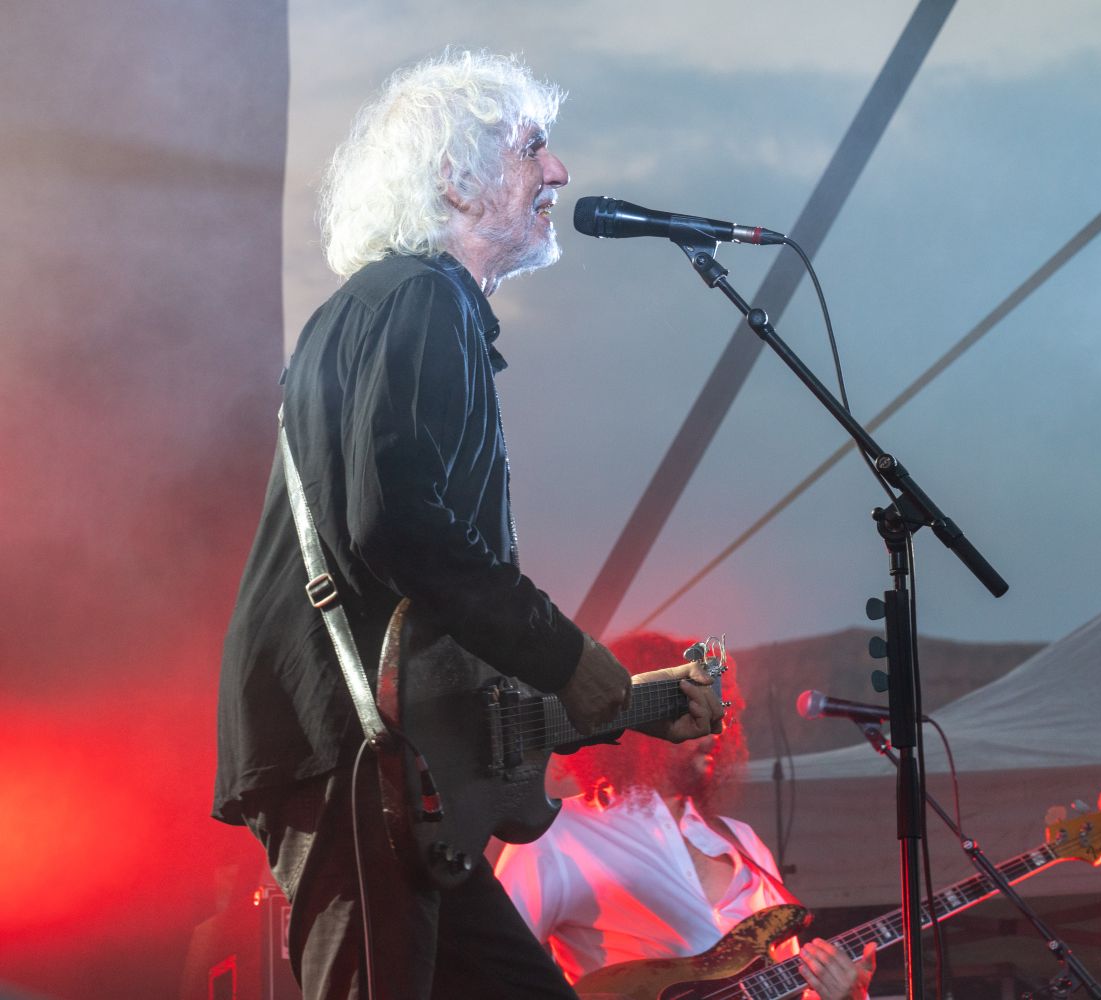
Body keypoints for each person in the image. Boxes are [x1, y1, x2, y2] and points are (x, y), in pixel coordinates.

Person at [212, 50, 723, 1000]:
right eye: (533, 148)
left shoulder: (396, 305)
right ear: (454, 178)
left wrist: (627, 702)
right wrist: (566, 654)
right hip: (353, 751)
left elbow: (436, 643)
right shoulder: (421, 295)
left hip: (388, 756)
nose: (559, 172)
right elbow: (401, 524)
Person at [495, 632, 877, 1000]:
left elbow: (784, 985)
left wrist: (844, 995)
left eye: (719, 711)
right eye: (695, 709)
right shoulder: (557, 835)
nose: (715, 732)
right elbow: (490, 969)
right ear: (641, 717)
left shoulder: (744, 842)